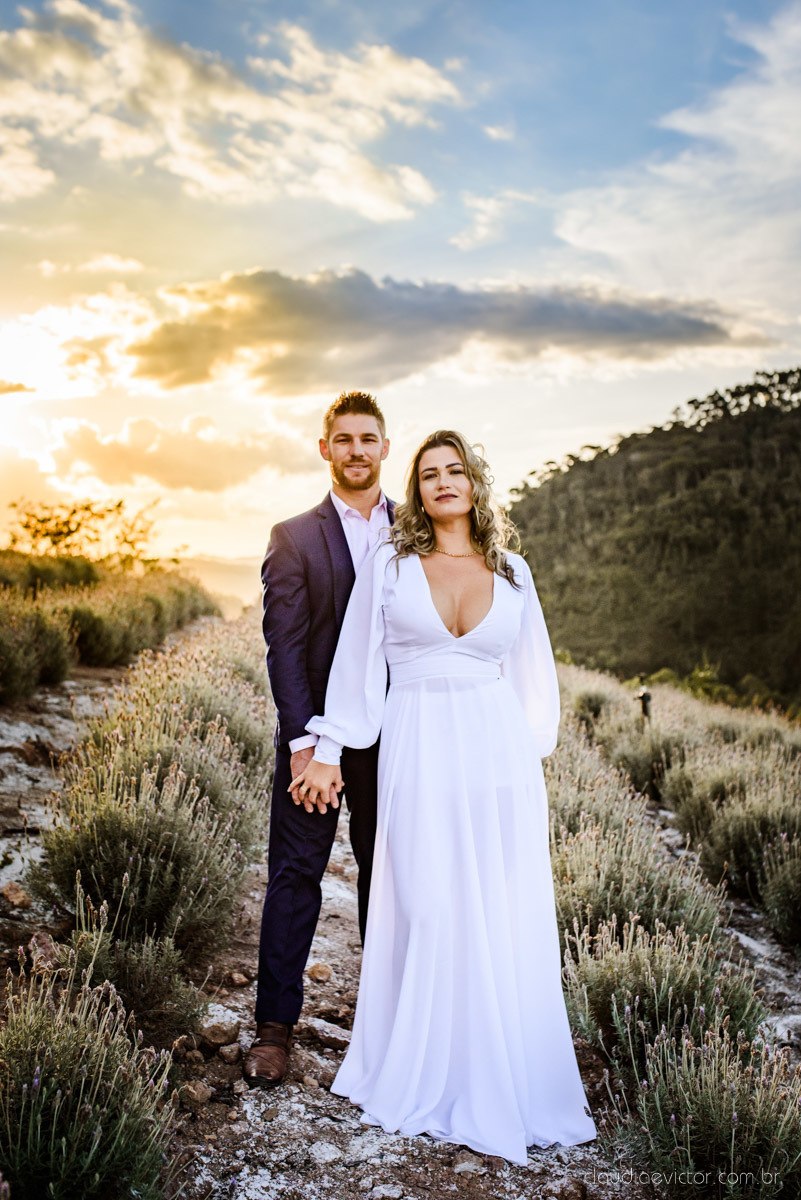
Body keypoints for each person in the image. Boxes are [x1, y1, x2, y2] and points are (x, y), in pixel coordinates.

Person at [290, 430, 597, 1164]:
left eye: (455, 470)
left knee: (495, 908)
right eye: (429, 474)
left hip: (498, 764)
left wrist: (523, 760)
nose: (443, 482)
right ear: (418, 490)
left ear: (474, 483)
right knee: (427, 902)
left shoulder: (513, 570)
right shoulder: (390, 566)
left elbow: (535, 688)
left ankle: (502, 1073)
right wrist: (327, 746)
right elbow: (358, 672)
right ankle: (424, 1066)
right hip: (418, 750)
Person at [244, 391, 394, 1089]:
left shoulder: (416, 534)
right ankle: (274, 1029)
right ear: (324, 448)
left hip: (393, 740)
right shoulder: (293, 536)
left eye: (368, 438)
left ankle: (387, 1024)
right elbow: (286, 648)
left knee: (387, 877)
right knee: (296, 876)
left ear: (385, 448)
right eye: (344, 439)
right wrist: (306, 745)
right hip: (315, 741)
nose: (356, 450)